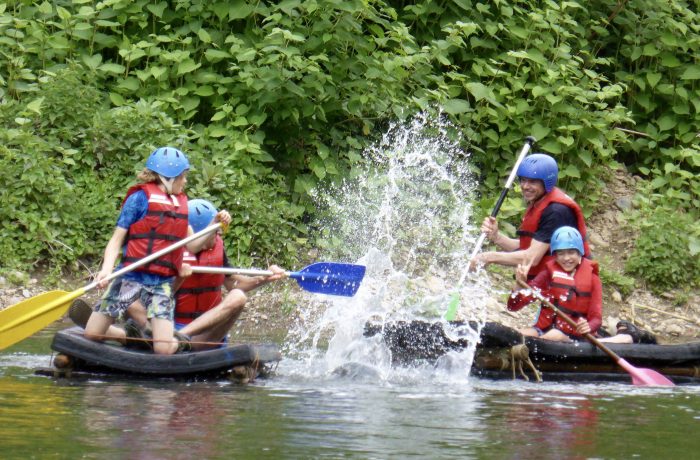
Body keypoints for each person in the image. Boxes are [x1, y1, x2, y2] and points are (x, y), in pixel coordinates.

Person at [122, 199, 287, 351]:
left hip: (202, 336)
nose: (219, 235)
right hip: (164, 328)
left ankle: (178, 341)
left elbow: (234, 284)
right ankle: (163, 339)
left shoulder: (217, 249)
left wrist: (263, 278)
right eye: (215, 232)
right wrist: (180, 277)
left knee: (238, 297)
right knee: (127, 296)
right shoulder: (169, 250)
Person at [81, 147, 194, 355]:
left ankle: (179, 342)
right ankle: (129, 336)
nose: (184, 182)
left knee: (163, 348)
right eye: (182, 177)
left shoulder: (180, 204)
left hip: (161, 283)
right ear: (167, 178)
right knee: (92, 334)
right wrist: (106, 270)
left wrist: (217, 223)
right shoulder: (139, 199)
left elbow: (194, 244)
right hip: (129, 276)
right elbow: (116, 241)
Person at [507, 226, 656, 344]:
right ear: (555, 255)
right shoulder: (547, 273)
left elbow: (596, 319)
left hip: (575, 334)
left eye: (571, 252)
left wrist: (588, 327)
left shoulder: (592, 278)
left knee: (555, 335)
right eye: (561, 254)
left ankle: (627, 337)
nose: (566, 258)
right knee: (519, 334)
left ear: (580, 254)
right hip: (545, 329)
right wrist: (519, 284)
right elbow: (513, 306)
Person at [470, 153, 590, 280]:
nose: (525, 186)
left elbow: (532, 258)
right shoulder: (541, 203)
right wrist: (496, 237)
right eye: (523, 180)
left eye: (532, 182)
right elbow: (526, 247)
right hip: (551, 279)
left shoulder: (556, 212)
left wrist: (488, 257)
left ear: (547, 183)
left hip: (572, 283)